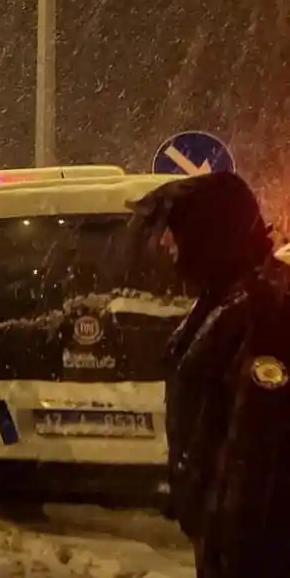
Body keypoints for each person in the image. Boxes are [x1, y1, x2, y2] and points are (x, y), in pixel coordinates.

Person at [126, 172, 290, 577]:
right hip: (223, 539)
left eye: (181, 239)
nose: (174, 255)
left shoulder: (263, 310)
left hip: (251, 552)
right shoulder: (224, 298)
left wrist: (232, 548)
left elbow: (255, 450)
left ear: (213, 237)